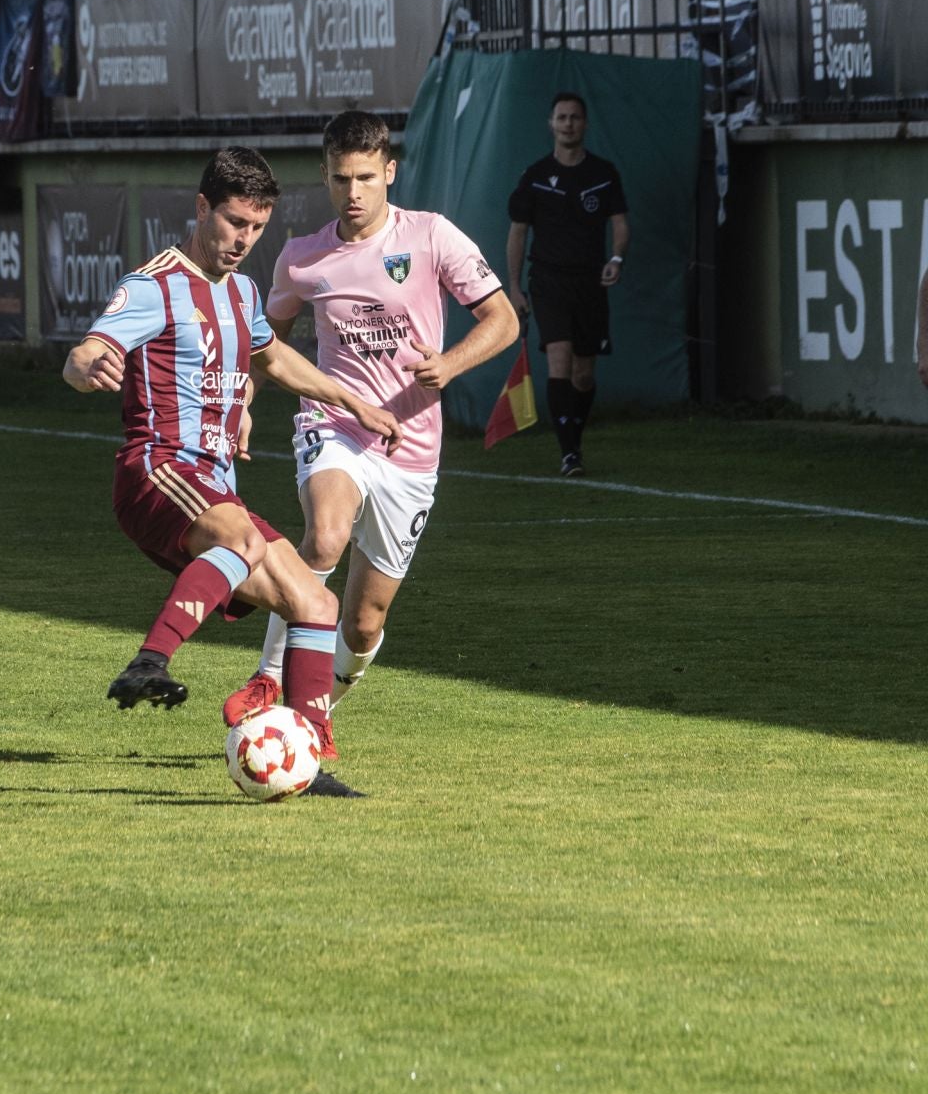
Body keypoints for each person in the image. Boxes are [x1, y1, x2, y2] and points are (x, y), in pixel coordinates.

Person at [61, 147, 407, 799]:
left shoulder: (243, 290)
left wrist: (352, 401)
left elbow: (270, 361)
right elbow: (88, 351)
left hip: (212, 483)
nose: (243, 240)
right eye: (232, 222)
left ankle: (308, 755)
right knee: (241, 540)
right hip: (157, 469)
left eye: (256, 227)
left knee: (316, 602)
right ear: (201, 208)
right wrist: (88, 367)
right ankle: (149, 662)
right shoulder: (155, 284)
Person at [250, 111, 518, 722]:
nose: (354, 193)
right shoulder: (300, 259)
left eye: (366, 177)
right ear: (324, 176)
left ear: (390, 172)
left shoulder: (431, 236)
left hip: (412, 452)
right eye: (341, 179)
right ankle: (267, 680)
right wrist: (240, 408)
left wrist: (448, 365)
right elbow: (268, 345)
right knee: (325, 534)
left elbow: (503, 321)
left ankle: (308, 716)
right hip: (335, 426)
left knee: (365, 622)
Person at [505, 93, 628, 477]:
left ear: (585, 124)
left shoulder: (603, 173)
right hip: (549, 281)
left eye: (575, 117)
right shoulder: (536, 176)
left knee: (583, 374)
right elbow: (518, 233)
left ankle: (575, 433)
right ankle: (569, 453)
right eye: (562, 117)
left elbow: (620, 224)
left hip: (590, 281)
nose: (568, 123)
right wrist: (514, 285)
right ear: (551, 124)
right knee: (558, 357)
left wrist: (616, 259)